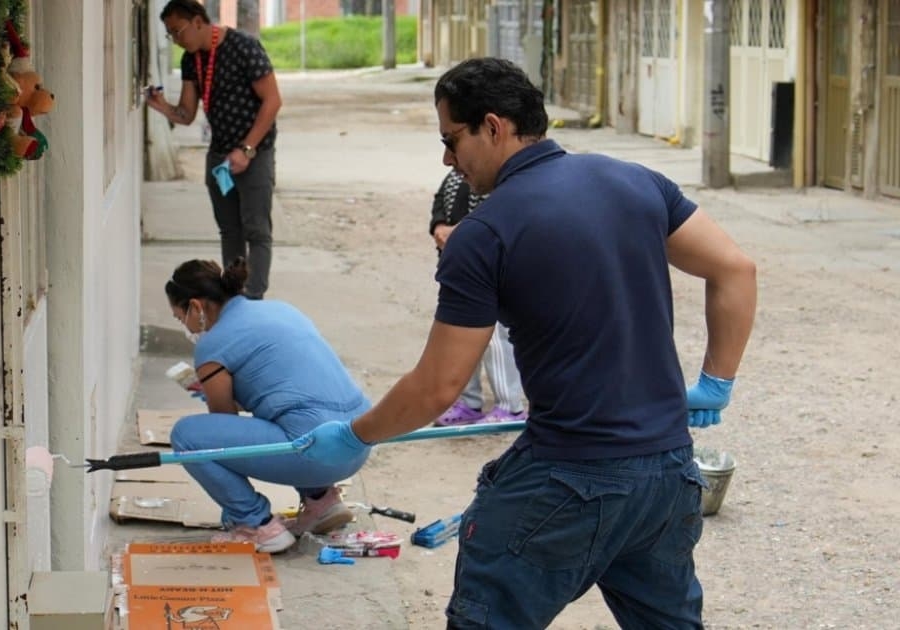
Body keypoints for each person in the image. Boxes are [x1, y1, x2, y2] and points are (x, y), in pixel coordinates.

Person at [296, 58, 757, 627]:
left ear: (493, 127)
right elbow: (735, 269)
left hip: (570, 479)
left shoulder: (484, 234)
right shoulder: (637, 183)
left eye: (451, 139)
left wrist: (355, 435)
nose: (447, 159)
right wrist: (717, 381)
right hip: (665, 475)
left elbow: (439, 385)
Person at [166, 257, 371, 553]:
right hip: (357, 442)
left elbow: (225, 427)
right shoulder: (281, 309)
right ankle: (322, 501)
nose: (184, 326)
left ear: (196, 307)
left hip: (314, 454)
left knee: (187, 437)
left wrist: (213, 390)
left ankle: (256, 524)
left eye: (179, 317)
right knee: (293, 415)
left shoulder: (212, 345)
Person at [148, 0, 282, 300]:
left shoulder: (244, 47)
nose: (176, 39)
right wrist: (162, 107)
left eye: (177, 30)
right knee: (229, 230)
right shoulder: (191, 60)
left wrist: (247, 150)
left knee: (257, 230)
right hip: (220, 155)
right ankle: (235, 296)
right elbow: (186, 114)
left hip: (255, 153)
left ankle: (254, 298)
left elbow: (272, 101)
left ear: (198, 21)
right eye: (170, 34)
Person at [429, 169, 527, 426]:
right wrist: (439, 226)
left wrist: (458, 233)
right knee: (458, 339)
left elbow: (494, 215)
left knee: (495, 340)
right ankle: (468, 402)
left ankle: (510, 407)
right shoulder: (455, 175)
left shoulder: (497, 179)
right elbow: (440, 200)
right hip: (458, 269)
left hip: (489, 272)